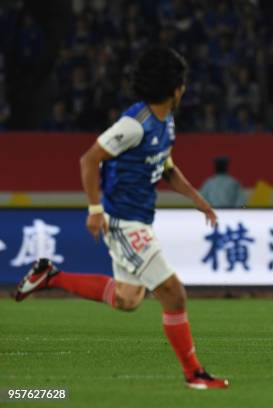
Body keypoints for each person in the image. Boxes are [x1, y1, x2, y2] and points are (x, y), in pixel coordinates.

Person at [15, 47, 229, 390]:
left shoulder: (166, 123)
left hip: (140, 220)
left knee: (127, 299)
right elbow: (89, 159)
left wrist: (198, 200)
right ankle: (195, 374)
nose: (184, 90)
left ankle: (50, 277)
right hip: (124, 222)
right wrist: (95, 211)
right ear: (174, 89)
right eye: (182, 84)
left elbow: (166, 168)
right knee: (174, 294)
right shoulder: (134, 124)